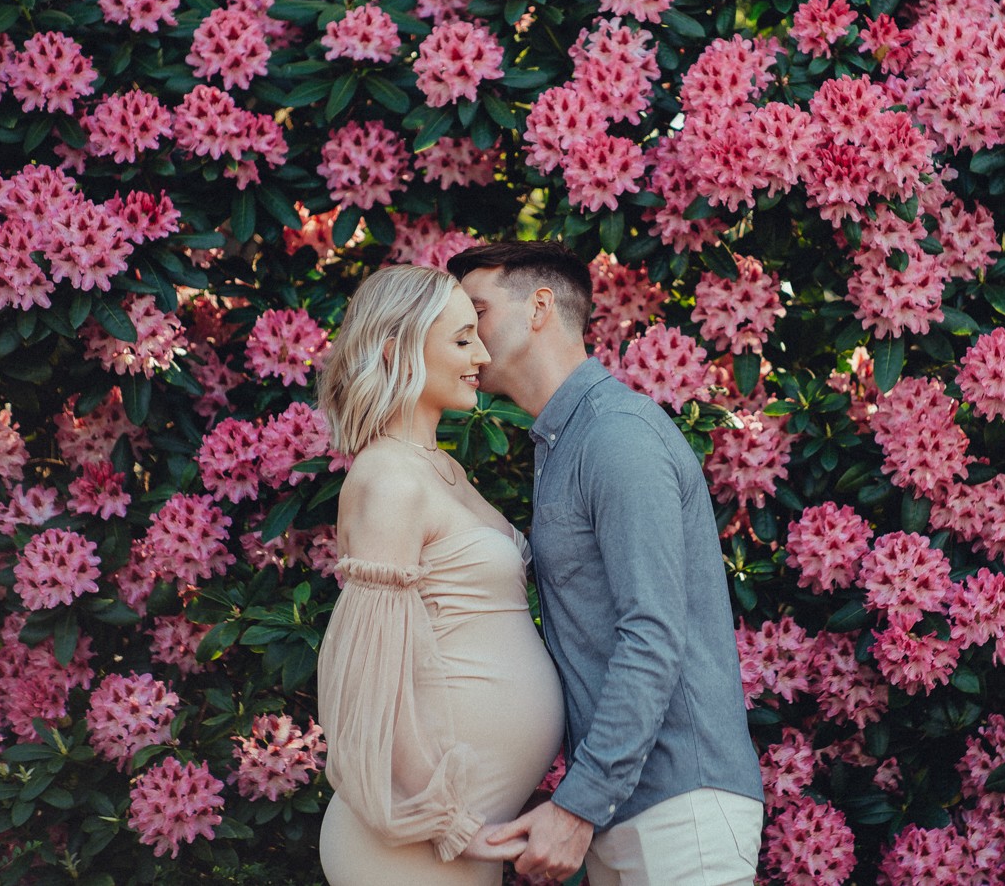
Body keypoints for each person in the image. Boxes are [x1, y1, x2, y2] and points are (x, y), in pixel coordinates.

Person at [446, 241, 764, 886]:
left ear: (539, 308)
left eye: (477, 312)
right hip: (627, 813)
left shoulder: (616, 435)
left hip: (681, 809)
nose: (467, 340)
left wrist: (579, 805)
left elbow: (651, 635)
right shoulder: (564, 440)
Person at [314, 264, 564, 886]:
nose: (482, 353)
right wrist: (450, 822)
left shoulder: (438, 466)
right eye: (460, 340)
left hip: (451, 836)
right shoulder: (388, 479)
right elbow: (374, 679)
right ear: (399, 347)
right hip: (412, 839)